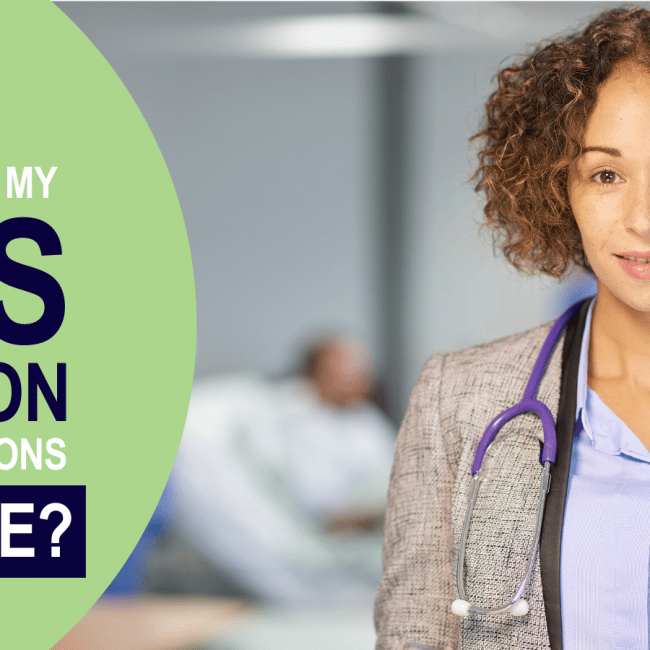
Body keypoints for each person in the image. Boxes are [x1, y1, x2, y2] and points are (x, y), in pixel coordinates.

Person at [375, 6, 650, 649]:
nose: (642, 217)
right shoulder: (460, 398)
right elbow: (417, 636)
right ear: (560, 189)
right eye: (606, 175)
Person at [168, 335, 396, 607]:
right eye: (350, 370)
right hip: (305, 540)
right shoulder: (279, 413)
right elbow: (310, 502)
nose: (362, 378)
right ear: (318, 372)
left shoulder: (365, 422)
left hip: (356, 537)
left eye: (363, 371)